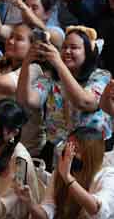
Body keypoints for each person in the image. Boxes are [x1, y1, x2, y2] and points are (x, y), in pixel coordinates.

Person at [17, 26, 111, 169]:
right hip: (56, 150)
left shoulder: (101, 76)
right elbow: (28, 100)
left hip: (90, 152)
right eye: (64, 47)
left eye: (74, 47)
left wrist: (59, 64)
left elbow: (85, 102)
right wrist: (27, 61)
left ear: (88, 52)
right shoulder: (50, 78)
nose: (67, 51)